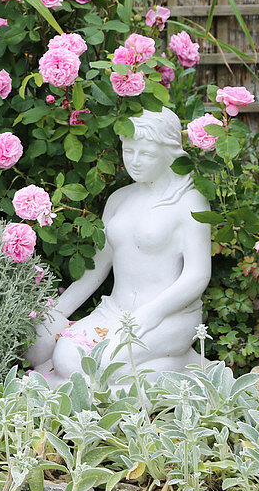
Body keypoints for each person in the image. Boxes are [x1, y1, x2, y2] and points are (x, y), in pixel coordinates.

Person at [27, 108, 211, 384]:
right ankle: (155, 370)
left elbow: (197, 275)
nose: (134, 162)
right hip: (115, 310)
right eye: (128, 150)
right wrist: (55, 313)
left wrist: (151, 314)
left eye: (146, 153)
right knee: (37, 344)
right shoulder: (119, 198)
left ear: (169, 152)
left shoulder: (189, 202)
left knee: (83, 364)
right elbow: (96, 270)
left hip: (166, 316)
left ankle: (180, 364)